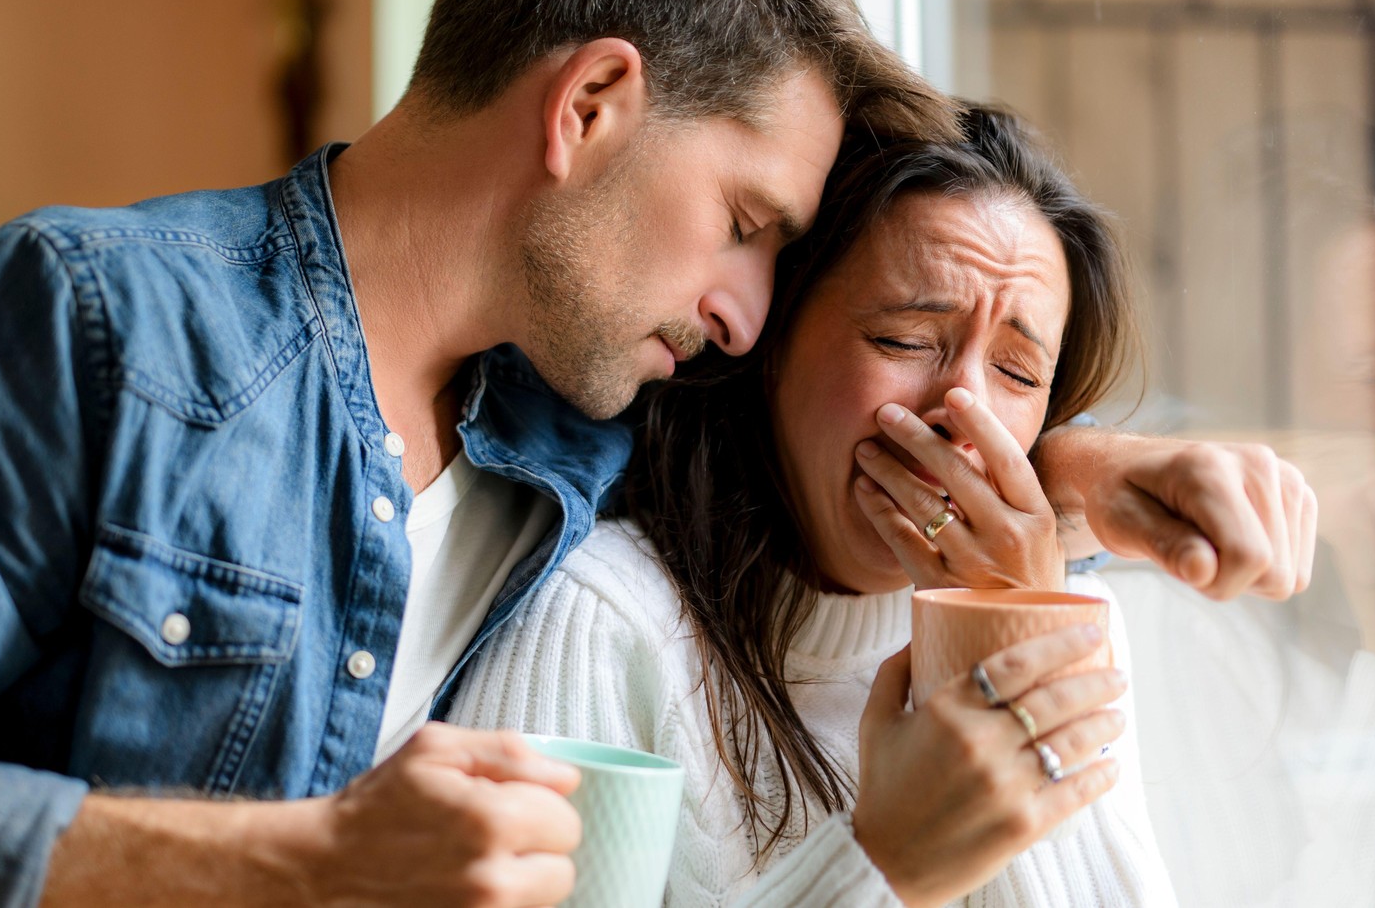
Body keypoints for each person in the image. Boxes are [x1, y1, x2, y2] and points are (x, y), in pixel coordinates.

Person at [0, 0, 1312, 905]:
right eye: (745, 224)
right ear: (590, 106)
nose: (744, 315)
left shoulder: (571, 417)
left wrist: (1081, 470)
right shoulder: (97, 316)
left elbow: (815, 444)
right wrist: (314, 866)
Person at [448, 105, 1179, 905]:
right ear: (772, 344)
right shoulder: (600, 622)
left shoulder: (1072, 619)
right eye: (903, 339)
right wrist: (882, 864)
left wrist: (1018, 639)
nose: (965, 410)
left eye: (1017, 372)